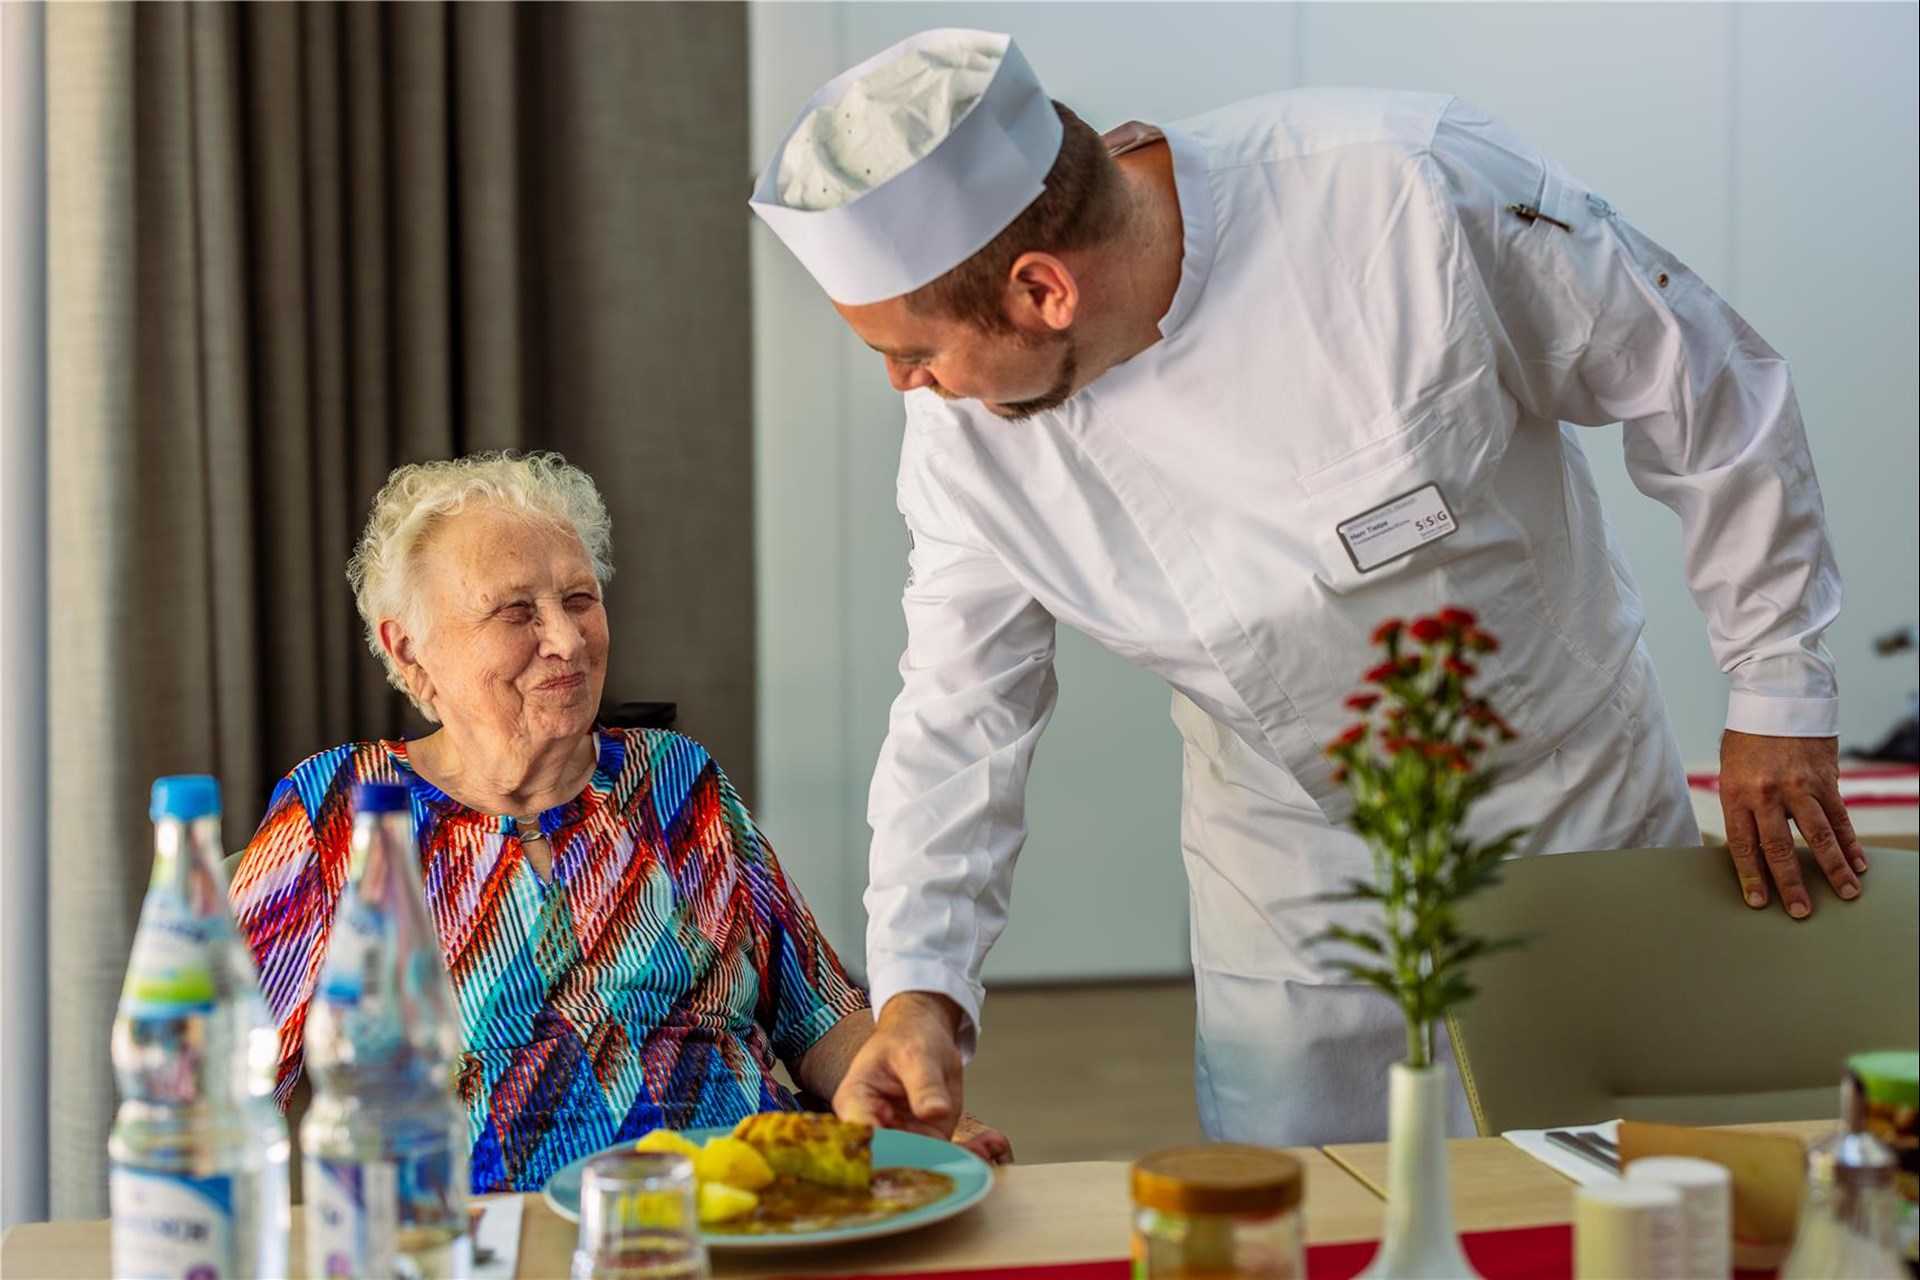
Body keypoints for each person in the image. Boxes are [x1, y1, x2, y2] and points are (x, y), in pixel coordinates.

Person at [750, 30, 1864, 1146]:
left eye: (912, 349)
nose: (905, 384)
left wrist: (1776, 685)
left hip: (1563, 791)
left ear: (1042, 288)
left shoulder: (1409, 193)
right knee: (1306, 1198)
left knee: (1603, 1177)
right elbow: (960, 706)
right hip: (1285, 857)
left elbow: (1706, 381)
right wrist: (921, 989)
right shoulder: (962, 436)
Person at [229, 452, 1011, 1192]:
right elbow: (225, 1078)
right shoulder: (337, 814)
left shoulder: (674, 781)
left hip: (733, 1217)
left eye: (579, 599)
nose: (566, 640)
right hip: (481, 1246)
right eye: (514, 613)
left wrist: (914, 1106)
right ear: (410, 652)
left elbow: (820, 1013)